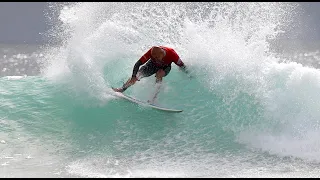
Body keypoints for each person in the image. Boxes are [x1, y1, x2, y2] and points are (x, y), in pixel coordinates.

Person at [112, 46, 191, 102]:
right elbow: (138, 63)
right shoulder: (151, 51)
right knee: (137, 75)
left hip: (165, 67)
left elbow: (182, 65)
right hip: (151, 65)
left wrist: (188, 74)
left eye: (157, 58)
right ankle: (121, 89)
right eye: (154, 57)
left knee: (159, 73)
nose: (156, 59)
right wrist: (133, 76)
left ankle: (153, 99)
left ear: (162, 54)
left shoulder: (172, 54)